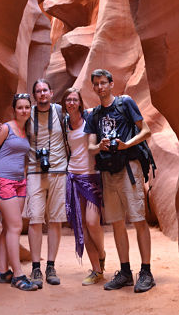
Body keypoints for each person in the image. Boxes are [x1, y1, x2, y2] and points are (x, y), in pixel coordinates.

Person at [84, 69, 156, 293]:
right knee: (116, 222)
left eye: (103, 83)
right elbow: (90, 148)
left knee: (138, 219)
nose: (100, 87)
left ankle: (146, 272)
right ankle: (125, 272)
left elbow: (146, 131)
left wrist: (127, 144)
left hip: (129, 169)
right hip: (108, 172)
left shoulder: (125, 103)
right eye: (96, 84)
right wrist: (101, 146)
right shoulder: (94, 114)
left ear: (111, 84)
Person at [0, 93, 38, 291]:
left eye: (26, 107)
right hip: (2, 180)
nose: (23, 110)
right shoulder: (5, 128)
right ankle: (18, 275)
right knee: (16, 227)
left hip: (19, 182)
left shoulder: (27, 131)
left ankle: (2, 271)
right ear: (14, 110)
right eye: (20, 107)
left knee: (8, 227)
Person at [25, 79, 68, 289]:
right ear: (34, 95)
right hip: (34, 171)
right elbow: (14, 128)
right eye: (38, 91)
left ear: (51, 92)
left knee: (56, 220)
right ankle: (35, 267)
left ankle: (50, 266)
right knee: (35, 219)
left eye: (45, 90)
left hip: (59, 171)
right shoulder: (27, 113)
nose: (42, 94)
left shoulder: (61, 111)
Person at [62, 88, 105, 286]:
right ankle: (96, 269)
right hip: (73, 177)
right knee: (83, 226)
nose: (71, 103)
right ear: (65, 103)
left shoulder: (90, 118)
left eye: (74, 100)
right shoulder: (64, 123)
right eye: (68, 100)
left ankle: (102, 253)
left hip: (91, 177)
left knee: (92, 222)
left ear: (80, 102)